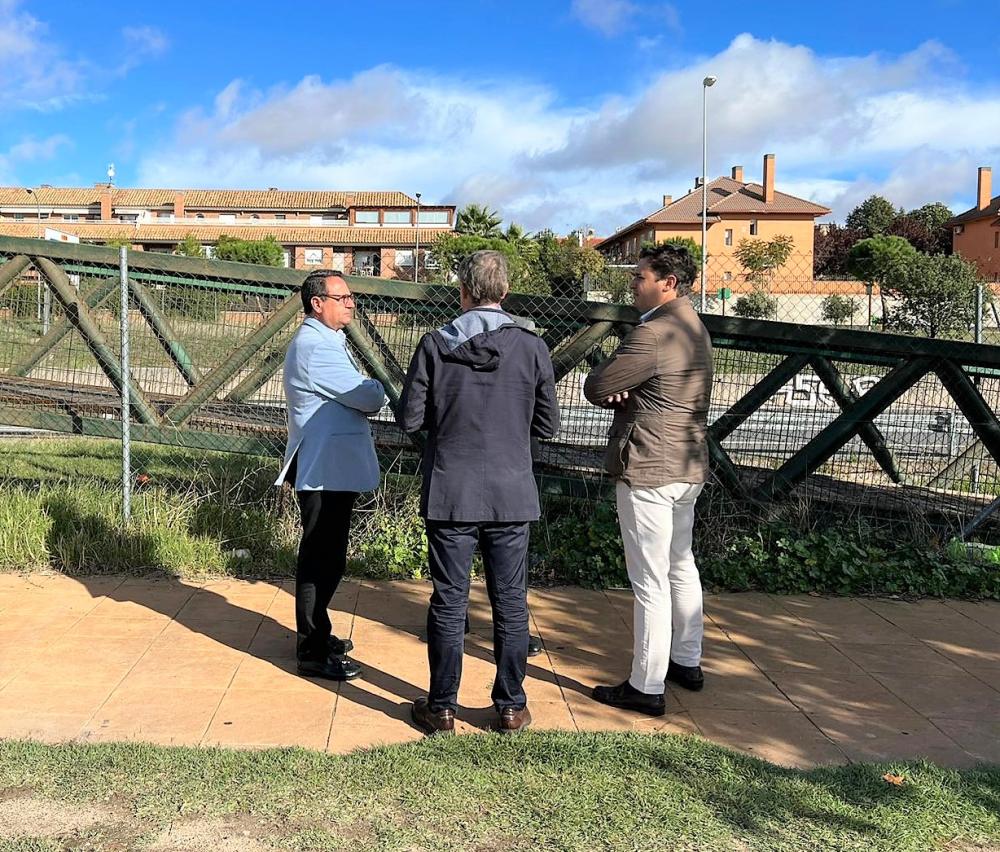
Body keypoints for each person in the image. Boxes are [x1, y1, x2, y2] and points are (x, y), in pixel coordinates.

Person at [398, 250, 560, 735]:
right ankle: (510, 706)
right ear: (505, 293)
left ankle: (442, 706)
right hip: (512, 491)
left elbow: (410, 419)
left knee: (449, 600)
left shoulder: (433, 345)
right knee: (511, 601)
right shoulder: (532, 347)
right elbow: (548, 424)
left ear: (463, 292)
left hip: (451, 488)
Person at [583, 243, 713, 716]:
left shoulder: (653, 334)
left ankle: (646, 683)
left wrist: (621, 385)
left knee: (650, 579)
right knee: (681, 563)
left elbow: (597, 384)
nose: (632, 284)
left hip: (650, 467)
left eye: (640, 276)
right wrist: (630, 385)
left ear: (668, 283)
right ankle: (687, 660)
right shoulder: (695, 328)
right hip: (687, 464)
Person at [276, 269, 386, 681]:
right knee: (320, 558)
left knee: (329, 557)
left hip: (332, 466)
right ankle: (311, 648)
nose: (351, 302)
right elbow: (367, 397)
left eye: (350, 296)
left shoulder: (325, 340)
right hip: (323, 467)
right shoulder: (316, 347)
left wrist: (363, 388)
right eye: (342, 297)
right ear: (317, 303)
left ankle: (318, 630)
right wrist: (371, 386)